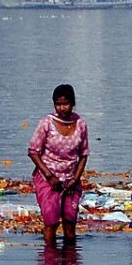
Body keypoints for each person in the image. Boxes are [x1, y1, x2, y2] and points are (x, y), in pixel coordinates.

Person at [28, 83, 89, 248]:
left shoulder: (80, 124)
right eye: (58, 104)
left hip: (70, 178)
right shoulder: (46, 123)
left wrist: (75, 178)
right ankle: (50, 262)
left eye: (66, 104)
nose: (62, 108)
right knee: (51, 221)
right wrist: (49, 176)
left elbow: (84, 154)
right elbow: (33, 151)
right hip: (48, 177)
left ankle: (70, 264)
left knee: (70, 222)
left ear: (73, 103)